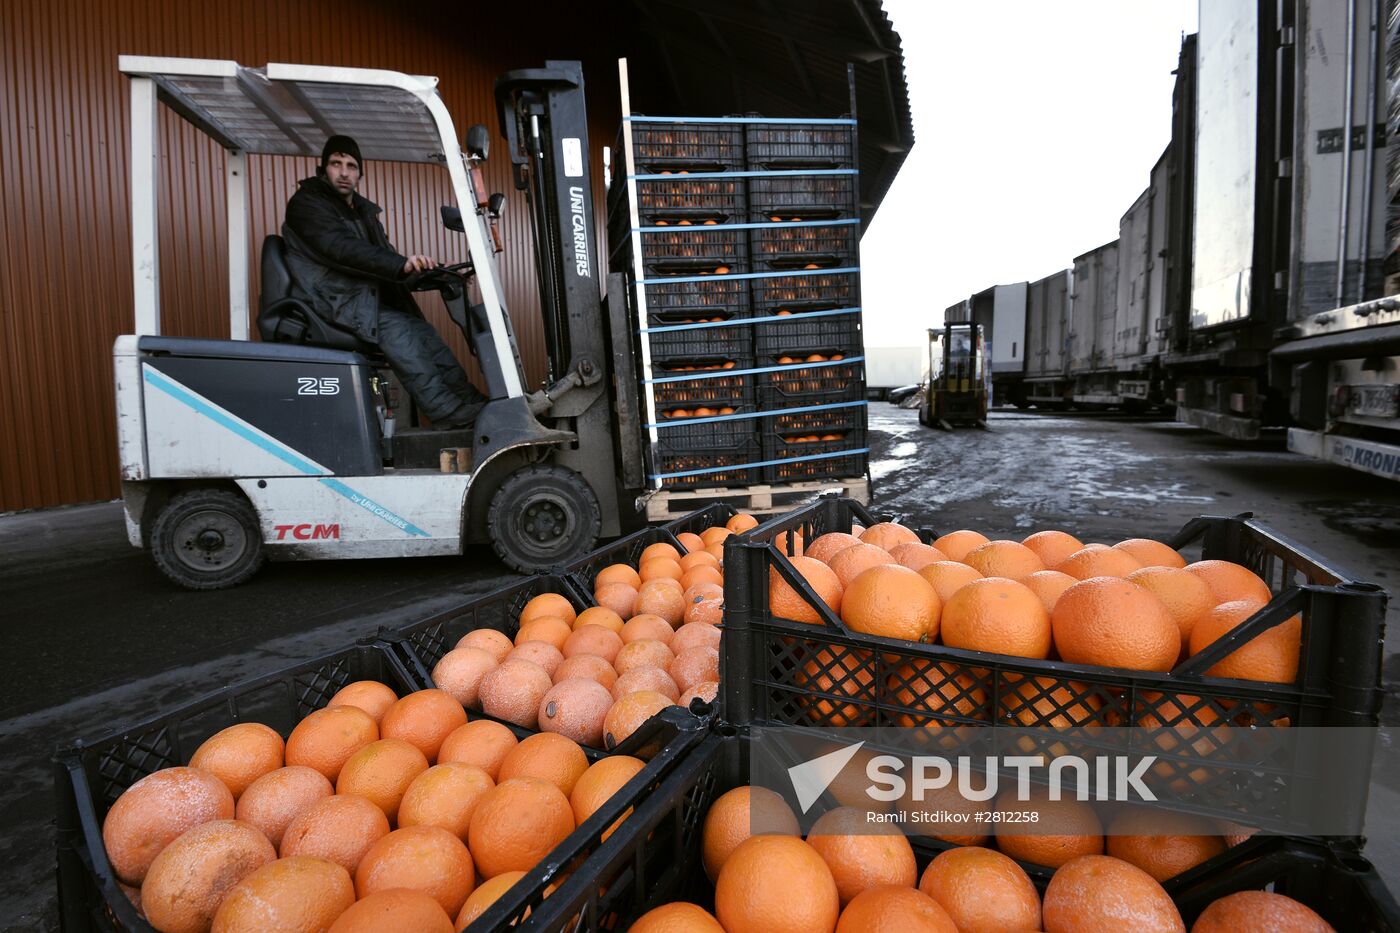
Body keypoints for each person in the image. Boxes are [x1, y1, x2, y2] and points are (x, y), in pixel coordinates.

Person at [282, 134, 486, 429]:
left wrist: (428, 273)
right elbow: (343, 250)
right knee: (401, 330)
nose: (343, 172)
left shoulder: (363, 211)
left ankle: (472, 404)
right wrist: (400, 265)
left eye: (351, 166)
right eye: (335, 163)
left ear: (359, 173)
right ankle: (447, 413)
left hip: (361, 294)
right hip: (330, 296)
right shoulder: (308, 205)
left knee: (425, 333)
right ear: (323, 168)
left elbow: (382, 255)